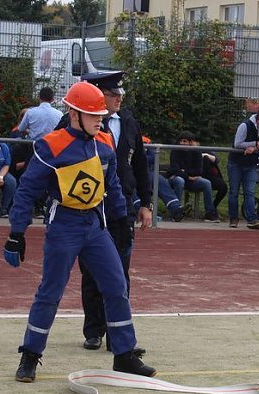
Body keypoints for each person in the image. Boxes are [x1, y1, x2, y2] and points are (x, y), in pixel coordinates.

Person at [2, 80, 156, 382]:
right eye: (94, 115)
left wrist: (120, 220)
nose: (101, 120)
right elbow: (26, 192)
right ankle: (30, 356)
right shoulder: (50, 145)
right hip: (64, 228)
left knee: (116, 286)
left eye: (101, 115)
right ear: (74, 114)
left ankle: (124, 355)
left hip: (96, 228)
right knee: (50, 292)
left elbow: (112, 186)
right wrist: (16, 233)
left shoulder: (105, 143)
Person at [68, 71, 154, 352]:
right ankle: (94, 330)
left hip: (122, 205)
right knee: (92, 270)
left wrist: (146, 202)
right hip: (89, 206)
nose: (119, 98)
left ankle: (119, 334)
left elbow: (140, 163)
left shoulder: (128, 122)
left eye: (120, 94)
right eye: (113, 93)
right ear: (98, 95)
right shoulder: (75, 122)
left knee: (121, 271)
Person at [227, 107, 259, 229]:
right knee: (234, 191)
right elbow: (237, 143)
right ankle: (233, 218)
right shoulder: (245, 126)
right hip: (236, 163)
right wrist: (255, 144)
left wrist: (254, 148)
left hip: (251, 164)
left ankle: (251, 219)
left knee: (250, 192)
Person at [168, 131, 220, 223]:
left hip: (191, 180)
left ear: (190, 142)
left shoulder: (196, 152)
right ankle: (176, 211)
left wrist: (185, 172)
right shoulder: (175, 151)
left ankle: (210, 213)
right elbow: (174, 170)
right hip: (178, 179)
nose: (182, 143)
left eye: (185, 141)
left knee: (206, 183)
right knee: (179, 181)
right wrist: (188, 176)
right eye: (181, 141)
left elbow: (198, 171)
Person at [143, 135, 191, 222]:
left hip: (147, 172)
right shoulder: (124, 138)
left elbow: (153, 157)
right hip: (129, 171)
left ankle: (176, 209)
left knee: (159, 180)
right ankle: (141, 210)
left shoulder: (146, 141)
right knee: (131, 183)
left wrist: (140, 158)